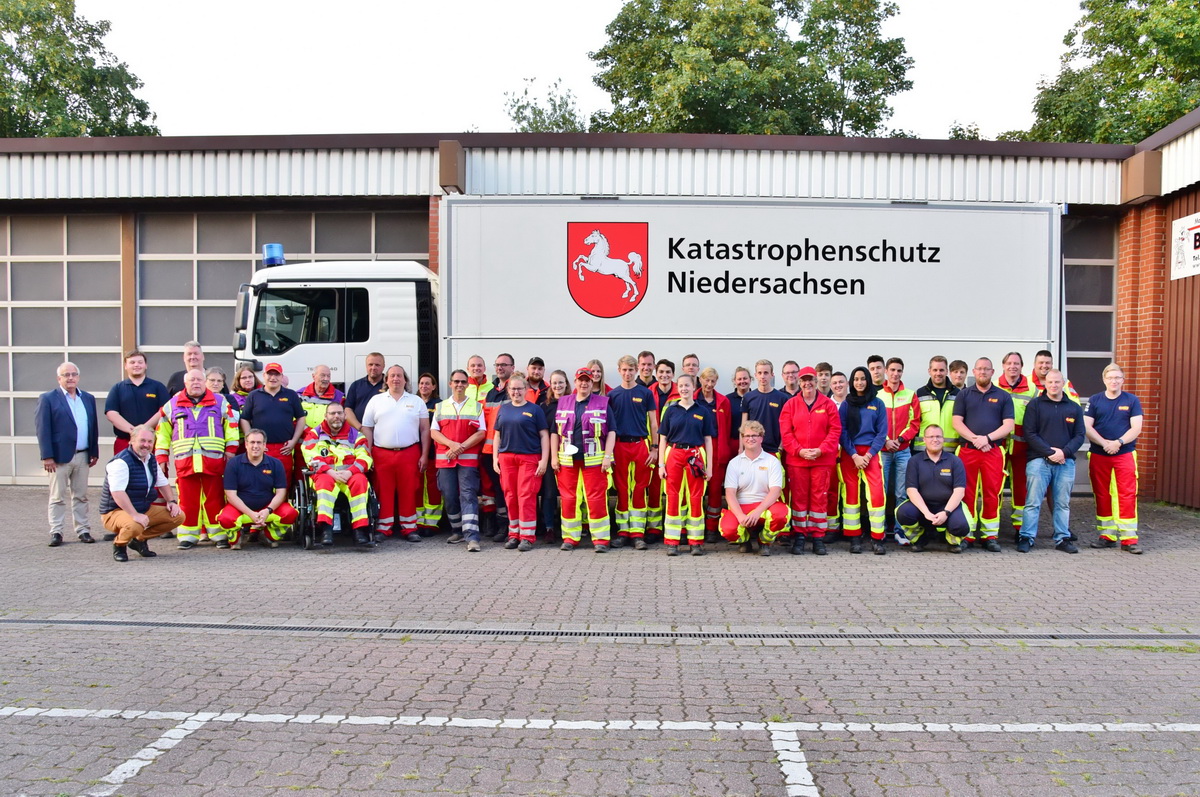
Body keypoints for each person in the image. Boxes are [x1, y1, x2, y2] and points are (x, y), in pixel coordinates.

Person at [155, 369, 239, 549]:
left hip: (213, 460)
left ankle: (218, 535)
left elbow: (232, 426)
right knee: (187, 499)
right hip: (185, 461)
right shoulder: (172, 404)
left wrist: (231, 450)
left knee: (215, 497)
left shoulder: (220, 402)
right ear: (185, 383)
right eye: (192, 380)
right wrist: (161, 456)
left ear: (205, 382)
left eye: (199, 379)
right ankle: (188, 535)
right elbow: (162, 432)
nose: (196, 383)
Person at [951, 357, 1015, 550]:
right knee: (967, 493)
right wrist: (975, 440)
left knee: (992, 493)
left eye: (986, 369)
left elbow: (1009, 425)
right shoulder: (964, 395)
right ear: (974, 371)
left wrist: (986, 439)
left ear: (993, 372)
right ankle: (967, 535)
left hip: (993, 451)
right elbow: (957, 422)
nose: (983, 372)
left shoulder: (1003, 396)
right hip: (968, 451)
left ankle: (989, 536)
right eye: (979, 369)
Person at [1018, 370, 1085, 554]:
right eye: (1050, 382)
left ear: (1063, 383)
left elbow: (1080, 435)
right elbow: (1029, 433)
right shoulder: (1035, 405)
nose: (1054, 385)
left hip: (1065, 462)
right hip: (1039, 461)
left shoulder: (1074, 408)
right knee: (1033, 502)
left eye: (1057, 382)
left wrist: (1064, 452)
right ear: (1045, 384)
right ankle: (1027, 537)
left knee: (1062, 503)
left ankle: (1062, 538)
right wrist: (1049, 452)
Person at [362, 365, 430, 542]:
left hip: (409, 453)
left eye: (399, 376)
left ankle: (409, 528)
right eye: (392, 376)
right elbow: (367, 428)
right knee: (383, 490)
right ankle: (384, 528)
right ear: (386, 380)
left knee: (409, 490)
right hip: (381, 453)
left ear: (405, 380)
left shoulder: (416, 401)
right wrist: (367, 452)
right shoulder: (376, 400)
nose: (395, 379)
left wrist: (424, 454)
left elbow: (425, 430)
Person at [551, 367, 615, 552]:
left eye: (587, 380)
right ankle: (570, 538)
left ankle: (601, 540)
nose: (584, 383)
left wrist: (608, 456)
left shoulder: (603, 403)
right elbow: (555, 432)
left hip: (594, 461)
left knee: (596, 500)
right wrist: (554, 457)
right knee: (569, 499)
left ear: (592, 382)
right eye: (581, 380)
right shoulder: (563, 402)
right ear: (576, 381)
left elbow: (612, 431)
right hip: (567, 461)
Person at [779, 366, 841, 555]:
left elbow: (835, 430)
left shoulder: (828, 404)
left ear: (816, 382)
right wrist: (800, 451)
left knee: (819, 498)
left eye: (811, 380)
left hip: (822, 461)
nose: (807, 383)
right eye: (804, 380)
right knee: (798, 499)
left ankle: (817, 538)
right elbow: (786, 432)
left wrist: (820, 450)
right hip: (798, 461)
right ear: (799, 382)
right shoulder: (790, 405)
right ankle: (799, 536)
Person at [36, 361, 100, 547]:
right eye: (66, 375)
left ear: (78, 377)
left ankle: (83, 530)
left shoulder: (88, 398)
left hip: (83, 455)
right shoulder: (48, 398)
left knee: (81, 495)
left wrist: (93, 451)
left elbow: (92, 427)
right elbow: (43, 429)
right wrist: (47, 456)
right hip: (58, 458)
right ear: (59, 378)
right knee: (57, 496)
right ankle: (56, 531)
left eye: (73, 374)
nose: (70, 378)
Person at [99, 425, 184, 561]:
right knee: (135, 525)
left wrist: (171, 502)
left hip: (142, 508)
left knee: (178, 516)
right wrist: (135, 515)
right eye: (142, 441)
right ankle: (119, 545)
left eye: (150, 442)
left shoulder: (151, 459)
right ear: (132, 441)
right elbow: (117, 493)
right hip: (114, 511)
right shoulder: (120, 462)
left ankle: (139, 540)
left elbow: (162, 483)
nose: (146, 445)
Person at [1085, 363, 1143, 554]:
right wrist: (1104, 443)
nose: (1114, 381)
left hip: (1124, 454)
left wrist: (1118, 442)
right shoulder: (1094, 401)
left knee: (1126, 494)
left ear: (1123, 380)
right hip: (1099, 454)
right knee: (1102, 494)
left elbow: (1136, 428)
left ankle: (1129, 539)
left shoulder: (1132, 400)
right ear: (1104, 380)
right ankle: (1107, 536)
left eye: (1118, 377)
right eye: (1110, 378)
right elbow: (1087, 426)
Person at [301, 402, 374, 547]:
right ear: (325, 416)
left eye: (339, 413)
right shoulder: (315, 434)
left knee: (360, 481)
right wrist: (330, 472)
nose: (336, 417)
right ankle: (326, 530)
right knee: (324, 483)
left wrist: (350, 472)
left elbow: (365, 457)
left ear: (344, 415)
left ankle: (359, 530)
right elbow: (309, 455)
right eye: (332, 413)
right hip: (325, 474)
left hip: (350, 475)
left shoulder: (356, 435)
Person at [657, 373, 715, 555]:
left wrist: (710, 467)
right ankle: (672, 541)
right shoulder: (671, 411)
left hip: (696, 455)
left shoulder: (702, 411)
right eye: (681, 385)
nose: (684, 389)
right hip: (674, 454)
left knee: (696, 497)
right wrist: (660, 464)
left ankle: (696, 542)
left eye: (687, 385)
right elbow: (662, 438)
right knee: (673, 497)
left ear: (693, 387)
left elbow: (708, 440)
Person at [431, 369, 487, 551]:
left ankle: (472, 537)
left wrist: (460, 447)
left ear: (467, 384)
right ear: (450, 384)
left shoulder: (476, 406)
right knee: (449, 495)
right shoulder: (441, 407)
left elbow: (481, 433)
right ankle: (457, 530)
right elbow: (434, 432)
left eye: (463, 382)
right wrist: (451, 444)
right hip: (445, 460)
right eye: (456, 381)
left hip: (467, 460)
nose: (459, 385)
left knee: (468, 495)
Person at [494, 373, 550, 551]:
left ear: (526, 390)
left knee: (526, 496)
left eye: (519, 388)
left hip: (529, 458)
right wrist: (495, 458)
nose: (516, 392)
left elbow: (544, 436)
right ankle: (514, 534)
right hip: (507, 458)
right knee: (510, 496)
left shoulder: (535, 410)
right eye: (513, 389)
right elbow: (497, 435)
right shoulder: (503, 409)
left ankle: (527, 536)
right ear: (508, 390)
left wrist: (544, 460)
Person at [607, 355, 658, 549]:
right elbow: (608, 427)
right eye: (624, 370)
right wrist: (609, 452)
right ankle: (622, 532)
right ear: (619, 370)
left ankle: (637, 534)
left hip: (640, 445)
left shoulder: (645, 393)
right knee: (621, 489)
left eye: (631, 370)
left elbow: (654, 423)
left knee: (639, 489)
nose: (627, 373)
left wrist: (654, 447)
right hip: (620, 445)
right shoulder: (612, 395)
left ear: (636, 370)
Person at [217, 428, 298, 548]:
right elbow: (230, 495)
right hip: (241, 509)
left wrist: (268, 510)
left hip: (267, 509)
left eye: (259, 443)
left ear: (265, 445)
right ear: (246, 444)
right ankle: (236, 539)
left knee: (291, 514)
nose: (255, 446)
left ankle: (267, 536)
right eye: (252, 442)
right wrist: (250, 513)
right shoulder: (233, 463)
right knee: (225, 519)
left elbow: (281, 493)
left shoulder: (276, 464)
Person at [896, 425, 970, 552]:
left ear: (943, 439)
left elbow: (959, 491)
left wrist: (946, 512)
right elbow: (911, 490)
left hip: (947, 507)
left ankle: (952, 541)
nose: (935, 440)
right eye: (931, 437)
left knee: (961, 525)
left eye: (938, 436)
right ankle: (919, 539)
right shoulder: (914, 461)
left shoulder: (955, 461)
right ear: (924, 439)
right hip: (923, 508)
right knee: (903, 513)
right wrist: (926, 513)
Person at [720, 420, 789, 555]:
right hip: (742, 506)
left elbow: (776, 491)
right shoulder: (734, 463)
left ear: (761, 438)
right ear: (742, 438)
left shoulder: (772, 461)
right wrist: (740, 515)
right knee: (727, 529)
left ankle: (764, 542)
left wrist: (757, 512)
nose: (750, 439)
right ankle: (745, 541)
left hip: (765, 506)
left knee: (781, 515)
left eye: (754, 436)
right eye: (747, 436)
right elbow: (730, 493)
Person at [838, 366, 887, 554]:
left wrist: (867, 455)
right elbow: (842, 431)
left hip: (871, 454)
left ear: (868, 380)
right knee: (850, 496)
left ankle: (877, 538)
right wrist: (854, 455)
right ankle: (854, 538)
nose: (859, 382)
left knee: (876, 495)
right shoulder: (846, 404)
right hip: (851, 454)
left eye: (863, 379)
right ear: (852, 382)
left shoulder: (878, 403)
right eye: (856, 379)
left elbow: (882, 432)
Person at [238, 362, 306, 486]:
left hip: (284, 448)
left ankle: (282, 504)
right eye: (270, 374)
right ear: (264, 375)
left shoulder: (291, 395)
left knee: (283, 482)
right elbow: (244, 419)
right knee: (259, 481)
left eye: (276, 374)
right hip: (261, 448)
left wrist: (294, 441)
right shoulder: (254, 396)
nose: (273, 378)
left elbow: (301, 418)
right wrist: (252, 440)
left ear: (282, 377)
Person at [879, 357, 921, 546]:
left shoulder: (910, 395)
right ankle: (878, 530)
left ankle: (899, 530)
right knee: (881, 492)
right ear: (886, 372)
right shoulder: (879, 396)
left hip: (903, 450)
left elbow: (915, 422)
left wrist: (901, 440)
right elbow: (876, 423)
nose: (895, 374)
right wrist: (887, 441)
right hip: (884, 450)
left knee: (902, 493)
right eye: (893, 370)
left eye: (899, 370)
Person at [995, 352, 1038, 538]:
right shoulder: (994, 386)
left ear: (1022, 366)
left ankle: (1020, 528)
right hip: (999, 447)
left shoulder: (1032, 389)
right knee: (994, 487)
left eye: (1017, 363)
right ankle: (993, 525)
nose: (1013, 366)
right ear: (1003, 365)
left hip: (1022, 448)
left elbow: (1037, 417)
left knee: (1021, 489)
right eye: (1009, 363)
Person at [105, 349, 168, 456]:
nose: (136, 365)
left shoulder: (158, 387)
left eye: (140, 362)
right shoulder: (117, 388)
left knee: (154, 472)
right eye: (132, 362)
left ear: (146, 365)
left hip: (152, 442)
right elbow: (111, 413)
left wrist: (144, 430)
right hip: (125, 442)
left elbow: (164, 410)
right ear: (125, 366)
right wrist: (134, 432)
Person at [696, 367, 733, 541]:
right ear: (700, 379)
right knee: (695, 489)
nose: (709, 384)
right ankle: (694, 527)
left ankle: (712, 528)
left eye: (713, 381)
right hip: (697, 446)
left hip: (717, 449)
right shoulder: (693, 398)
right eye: (706, 380)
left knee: (715, 491)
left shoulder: (723, 401)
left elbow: (726, 428)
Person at [645, 358, 681, 539]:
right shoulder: (648, 393)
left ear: (673, 374)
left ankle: (678, 529)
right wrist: (653, 445)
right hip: (655, 445)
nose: (664, 375)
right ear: (655, 374)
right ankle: (654, 528)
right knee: (654, 487)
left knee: (677, 488)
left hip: (675, 447)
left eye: (668, 372)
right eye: (661, 372)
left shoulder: (681, 393)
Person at [914, 356, 960, 455]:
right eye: (935, 370)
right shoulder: (920, 393)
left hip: (951, 450)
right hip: (923, 449)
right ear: (929, 371)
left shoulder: (957, 393)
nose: (938, 373)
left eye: (941, 370)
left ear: (947, 371)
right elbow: (914, 421)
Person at [416, 373, 443, 534]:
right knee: (417, 488)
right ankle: (419, 521)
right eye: (421, 383)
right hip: (414, 452)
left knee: (433, 488)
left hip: (434, 452)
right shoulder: (412, 403)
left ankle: (432, 523)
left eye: (428, 383)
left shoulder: (439, 405)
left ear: (434, 387)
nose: (424, 386)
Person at [345, 352, 386, 430]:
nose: (373, 368)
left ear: (384, 366)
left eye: (377, 365)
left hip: (382, 433)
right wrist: (360, 427)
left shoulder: (389, 386)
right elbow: (348, 409)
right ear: (366, 366)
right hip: (359, 432)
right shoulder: (356, 385)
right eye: (370, 364)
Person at [299, 364, 345, 429]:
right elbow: (292, 418)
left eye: (328, 376)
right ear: (313, 376)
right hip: (302, 435)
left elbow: (342, 421)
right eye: (322, 375)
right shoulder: (300, 394)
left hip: (327, 436)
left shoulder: (339, 397)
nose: (326, 379)